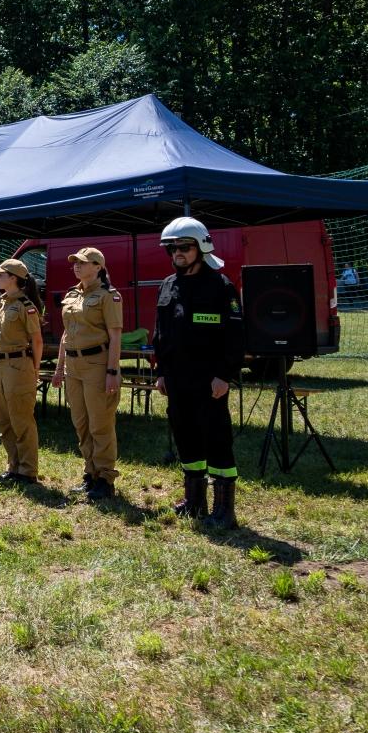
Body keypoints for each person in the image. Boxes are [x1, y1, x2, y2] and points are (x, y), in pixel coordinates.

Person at [153, 217, 244, 530]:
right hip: (177, 379)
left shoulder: (220, 286)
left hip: (209, 380)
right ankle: (194, 501)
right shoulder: (168, 285)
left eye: (184, 247)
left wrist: (224, 374)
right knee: (185, 436)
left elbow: (235, 336)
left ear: (201, 248)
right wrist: (162, 372)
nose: (177, 253)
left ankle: (224, 510)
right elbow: (160, 333)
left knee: (216, 438)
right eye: (172, 248)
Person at [53, 246, 123, 500]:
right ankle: (90, 473)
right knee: (81, 422)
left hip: (97, 364)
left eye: (83, 262)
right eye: (75, 262)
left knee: (100, 423)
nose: (77, 266)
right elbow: (66, 333)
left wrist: (112, 370)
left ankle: (105, 477)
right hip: (73, 365)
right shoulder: (72, 294)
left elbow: (115, 336)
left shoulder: (108, 296)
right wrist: (59, 368)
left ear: (98, 267)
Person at [0, 259, 44, 484]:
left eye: (1, 275)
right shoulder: (2, 302)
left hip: (19, 365)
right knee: (4, 420)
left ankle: (27, 470)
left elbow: (37, 341)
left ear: (13, 278)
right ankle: (13, 466)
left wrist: (35, 368)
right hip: (0, 365)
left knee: (21, 419)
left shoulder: (25, 305)